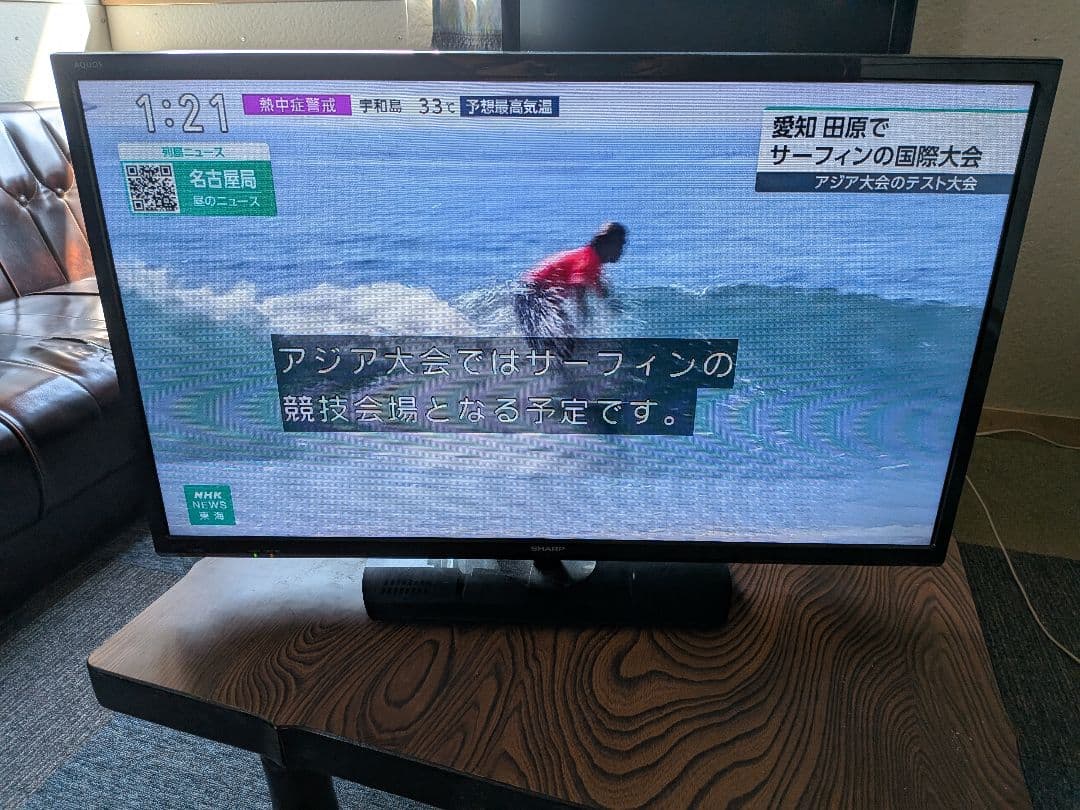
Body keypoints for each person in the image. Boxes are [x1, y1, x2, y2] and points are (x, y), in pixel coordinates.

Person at [513, 222, 627, 355]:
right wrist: (584, 317)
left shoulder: (590, 258)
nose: (621, 250)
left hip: (533, 293)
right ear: (606, 244)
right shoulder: (587, 261)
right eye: (620, 244)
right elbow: (579, 286)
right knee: (564, 341)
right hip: (531, 293)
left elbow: (598, 286)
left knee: (558, 341)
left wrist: (610, 302)